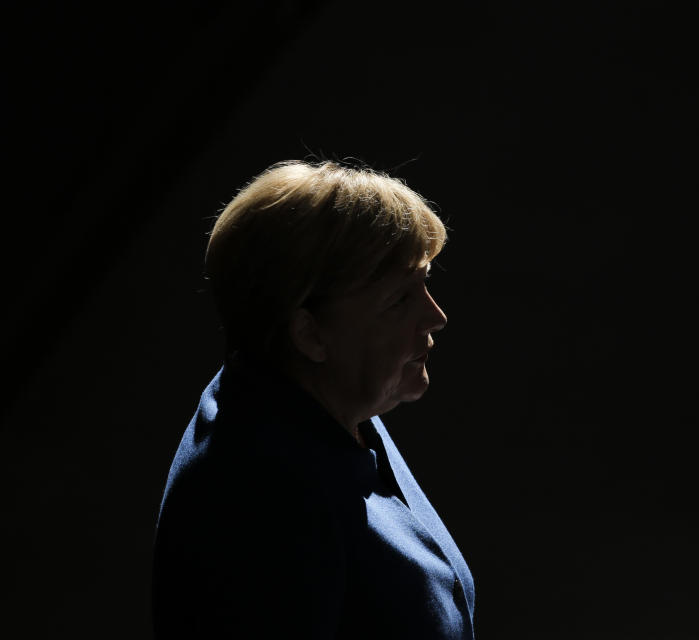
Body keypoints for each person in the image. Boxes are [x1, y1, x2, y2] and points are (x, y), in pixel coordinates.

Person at [151, 160, 476, 639]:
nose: (436, 316)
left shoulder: (333, 406)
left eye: (425, 285)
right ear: (309, 333)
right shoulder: (259, 508)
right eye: (400, 299)